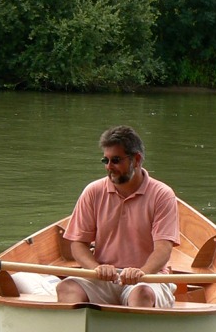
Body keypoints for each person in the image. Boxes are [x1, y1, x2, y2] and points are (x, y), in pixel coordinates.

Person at [56, 126, 180, 308]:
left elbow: (163, 250)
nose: (108, 167)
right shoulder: (93, 191)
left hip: (148, 277)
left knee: (141, 294)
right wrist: (96, 268)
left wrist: (141, 273)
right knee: (66, 288)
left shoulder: (162, 194)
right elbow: (78, 244)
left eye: (115, 160)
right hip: (103, 277)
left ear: (136, 160)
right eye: (105, 160)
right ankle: (77, 331)